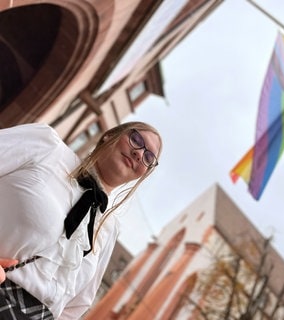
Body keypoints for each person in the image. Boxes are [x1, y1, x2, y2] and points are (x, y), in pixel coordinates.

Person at [0, 121, 162, 319]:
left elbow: (75, 308)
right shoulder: (47, 147)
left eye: (149, 158)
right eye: (136, 139)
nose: (139, 154)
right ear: (109, 136)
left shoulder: (109, 229)